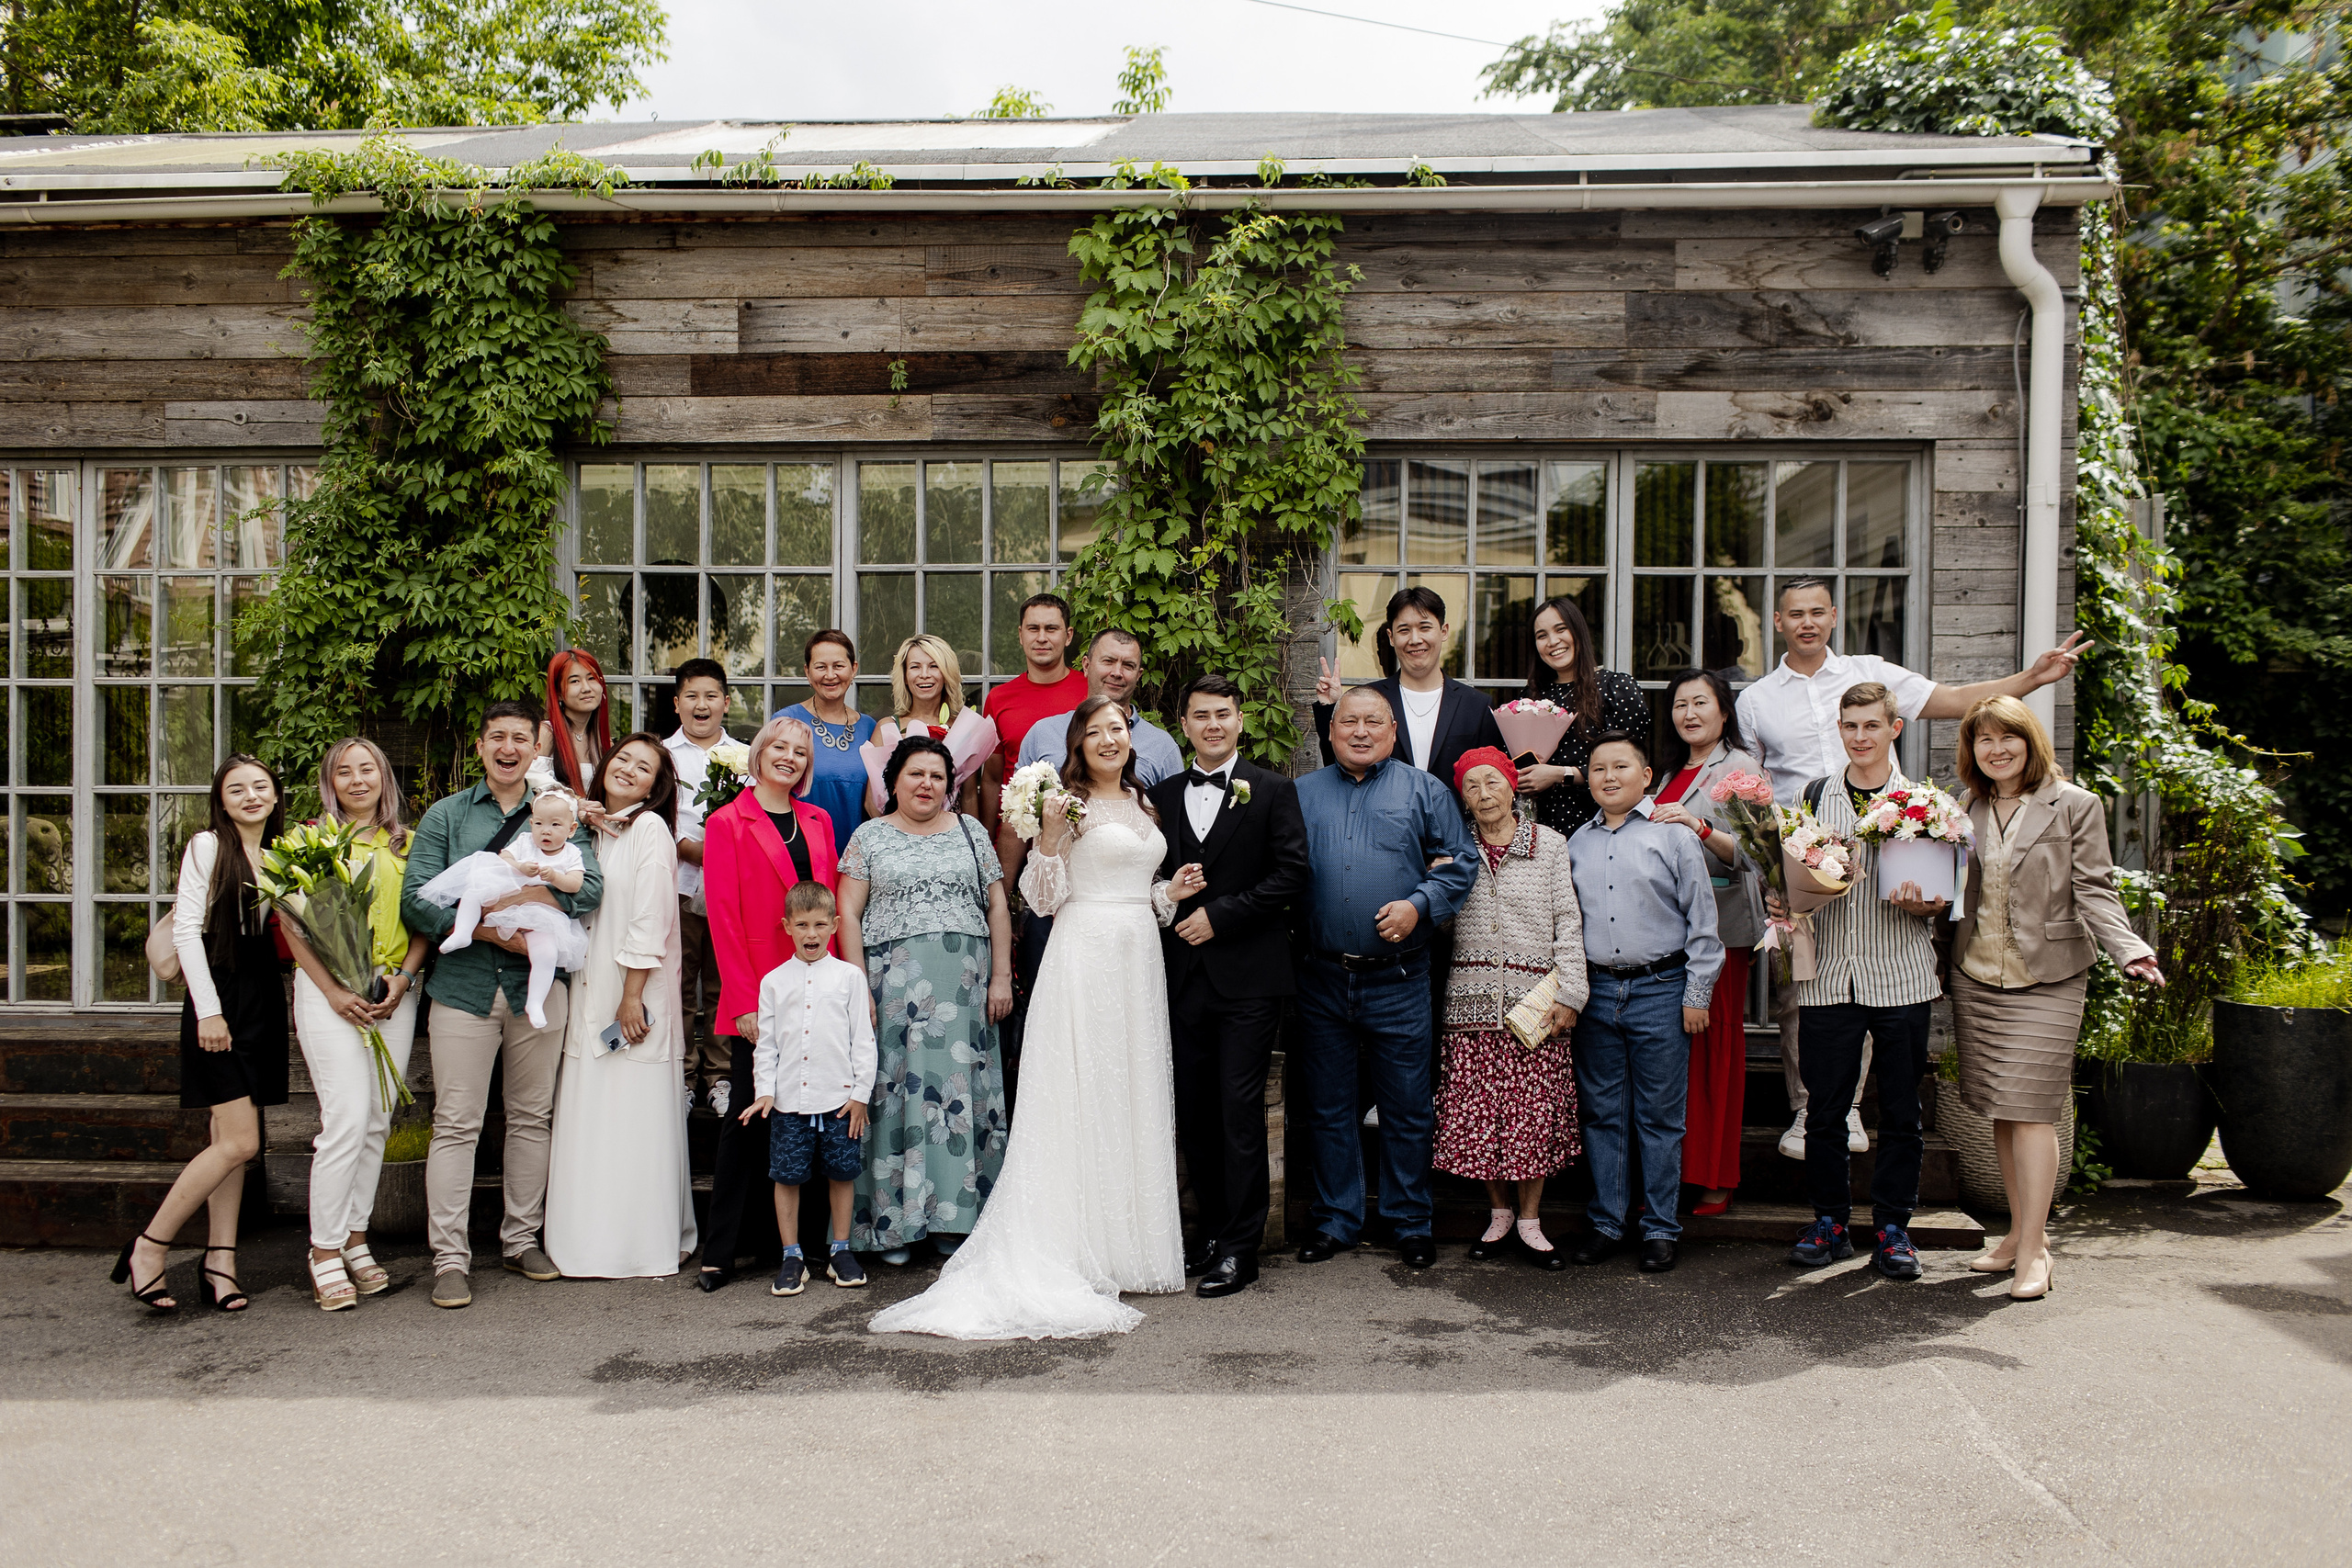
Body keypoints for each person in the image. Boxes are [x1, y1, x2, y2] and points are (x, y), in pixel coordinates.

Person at [871, 699, 1197, 1338]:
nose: (1110, 739)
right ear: (1077, 742)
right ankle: (1074, 1246)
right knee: (1079, 1096)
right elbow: (1043, 898)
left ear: (1133, 740)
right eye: (1096, 731)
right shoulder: (1063, 801)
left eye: (1119, 730)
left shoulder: (1146, 802)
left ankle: (1128, 1247)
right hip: (1083, 957)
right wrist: (1047, 836)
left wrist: (1170, 893)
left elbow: (1140, 888)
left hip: (1137, 956)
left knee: (1127, 1093)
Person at [1736, 577, 2089, 1162]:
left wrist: (2032, 678)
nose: (1806, 623)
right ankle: (1809, 1107)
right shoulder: (1756, 700)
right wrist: (1772, 859)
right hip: (1808, 848)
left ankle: (1846, 1105)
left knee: (1876, 969)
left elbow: (1955, 700)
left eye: (1817, 612)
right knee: (1802, 983)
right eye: (1794, 614)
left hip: (1885, 835)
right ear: (1778, 622)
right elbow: (1756, 782)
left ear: (1833, 617)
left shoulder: (1869, 671)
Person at [1949, 695, 2163, 1302]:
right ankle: (2018, 1233)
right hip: (1978, 974)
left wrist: (2130, 949)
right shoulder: (1964, 808)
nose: (1996, 749)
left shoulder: (2075, 805)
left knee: (2035, 1108)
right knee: (2001, 1106)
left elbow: (2095, 888)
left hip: (2050, 978)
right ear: (1973, 751)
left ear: (2029, 741)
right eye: (1984, 740)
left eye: (2007, 737)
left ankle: (2037, 1248)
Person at [401, 702, 605, 1311]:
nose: (509, 747)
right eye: (498, 737)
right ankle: (449, 1258)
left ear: (532, 748)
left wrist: (528, 891)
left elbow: (590, 887)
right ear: (482, 744)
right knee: (458, 1123)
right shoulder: (447, 815)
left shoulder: (560, 809)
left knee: (531, 1116)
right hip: (463, 989)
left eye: (520, 737)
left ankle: (520, 1238)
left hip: (535, 991)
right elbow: (416, 899)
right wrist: (490, 929)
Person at [1292, 687, 1477, 1270]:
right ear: (1330, 730)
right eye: (1349, 722)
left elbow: (1459, 864)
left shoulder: (1424, 791)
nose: (1361, 731)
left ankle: (1408, 1220)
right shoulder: (1300, 795)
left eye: (1374, 721)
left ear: (1393, 731)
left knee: (1406, 1106)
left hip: (1399, 978)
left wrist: (1419, 905)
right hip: (1320, 978)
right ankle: (1336, 1220)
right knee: (1329, 1106)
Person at [1775, 682, 1949, 1282]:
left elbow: (1938, 900)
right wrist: (1795, 897)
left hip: (1899, 974)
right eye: (1849, 725)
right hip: (1827, 978)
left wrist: (1924, 900)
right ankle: (1830, 1222)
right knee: (1824, 1110)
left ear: (1894, 728)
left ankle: (1894, 1228)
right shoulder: (1813, 796)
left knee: (1901, 1111)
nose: (1860, 735)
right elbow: (1794, 885)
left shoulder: (1923, 802)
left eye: (1871, 725)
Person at [1145, 674, 1311, 1299]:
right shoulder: (1159, 795)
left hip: (1249, 980)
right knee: (1195, 1115)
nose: (1213, 724)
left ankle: (1243, 1248)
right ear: (1183, 725)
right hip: (1183, 980)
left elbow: (1293, 874)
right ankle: (1211, 1233)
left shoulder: (1273, 790)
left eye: (1223, 714)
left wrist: (1223, 914)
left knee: (1239, 1112)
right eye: (1200, 715)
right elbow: (1150, 878)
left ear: (1240, 721)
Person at [113, 755, 288, 1314]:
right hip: (220, 999)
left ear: (277, 797)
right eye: (237, 789)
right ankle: (149, 1247)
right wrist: (208, 1011)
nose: (251, 796)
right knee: (242, 1142)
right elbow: (187, 931)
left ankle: (221, 1263)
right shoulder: (208, 845)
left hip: (262, 998)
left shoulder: (284, 852)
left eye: (261, 787)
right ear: (221, 798)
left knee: (227, 1141)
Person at [839, 736, 1014, 1265]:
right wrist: (854, 988)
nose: (926, 784)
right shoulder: (869, 836)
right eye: (915, 774)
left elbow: (998, 907)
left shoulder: (971, 833)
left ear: (950, 785)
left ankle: (957, 1221)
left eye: (937, 777)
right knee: (895, 1095)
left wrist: (1001, 977)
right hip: (890, 989)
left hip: (962, 993)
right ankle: (895, 1225)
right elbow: (847, 912)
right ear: (893, 782)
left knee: (957, 1099)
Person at [1566, 731, 1722, 1274]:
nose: (1608, 777)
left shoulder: (1672, 836)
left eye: (1621, 767)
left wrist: (1696, 993)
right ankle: (1608, 1222)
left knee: (1659, 1117)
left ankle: (1659, 1228)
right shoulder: (1576, 843)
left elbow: (1703, 922)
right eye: (1598, 768)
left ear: (1646, 776)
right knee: (1602, 1113)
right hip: (1597, 991)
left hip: (1661, 990)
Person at [543, 735, 697, 1280]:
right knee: (591, 1111)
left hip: (631, 990)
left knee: (633, 1114)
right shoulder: (585, 830)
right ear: (604, 765)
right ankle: (583, 1241)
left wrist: (631, 995)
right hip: (586, 986)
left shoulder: (649, 830)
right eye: (623, 759)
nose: (630, 770)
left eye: (645, 768)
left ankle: (638, 1242)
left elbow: (651, 917)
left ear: (657, 788)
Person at [281, 738, 427, 1310]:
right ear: (331, 782)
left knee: (375, 1120)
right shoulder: (308, 842)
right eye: (345, 771)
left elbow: (423, 920)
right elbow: (293, 926)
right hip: (329, 994)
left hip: (393, 992)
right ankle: (322, 1251)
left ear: (384, 779)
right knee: (343, 1119)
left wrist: (405, 980)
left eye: (368, 769)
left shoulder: (409, 845)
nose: (358, 779)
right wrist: (335, 992)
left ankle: (355, 1238)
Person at [698, 714, 840, 1292]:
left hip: (817, 986)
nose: (789, 757)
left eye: (800, 751)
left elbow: (826, 905)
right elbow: (723, 920)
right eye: (778, 747)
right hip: (759, 990)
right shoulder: (727, 822)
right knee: (749, 1118)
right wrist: (741, 1001)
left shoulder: (818, 819)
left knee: (810, 1114)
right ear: (758, 753)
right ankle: (720, 1251)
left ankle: (799, 1246)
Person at [1433, 748, 1589, 1270]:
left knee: (1533, 1116)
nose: (1483, 793)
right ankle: (1497, 1215)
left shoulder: (1549, 845)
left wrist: (1571, 994)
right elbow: (1440, 926)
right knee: (1482, 1119)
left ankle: (1530, 1219)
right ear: (1463, 797)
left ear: (1511, 786)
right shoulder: (1455, 850)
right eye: (1472, 785)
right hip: (1471, 1003)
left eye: (1492, 782)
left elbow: (1568, 922)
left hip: (1535, 1006)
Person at [1646, 670, 1768, 1216]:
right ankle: (1678, 1169)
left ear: (1724, 711)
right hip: (1670, 930)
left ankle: (1717, 1173)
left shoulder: (1741, 768)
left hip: (1721, 931)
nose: (1689, 713)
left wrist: (1697, 826)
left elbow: (1756, 854)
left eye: (1701, 703)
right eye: (1679, 705)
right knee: (1681, 1057)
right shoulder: (1671, 769)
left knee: (1718, 1051)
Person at [741, 881, 877, 1295]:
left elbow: (863, 1042)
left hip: (839, 1101)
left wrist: (859, 1095)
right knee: (787, 1176)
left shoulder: (850, 978)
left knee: (841, 1173)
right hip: (788, 1104)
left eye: (820, 924)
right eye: (802, 925)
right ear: (787, 927)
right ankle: (791, 1256)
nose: (812, 934)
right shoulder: (773, 982)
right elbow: (767, 1046)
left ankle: (840, 1250)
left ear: (835, 925)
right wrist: (765, 1091)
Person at [415, 786, 590, 1030]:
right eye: (539, 824)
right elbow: (504, 857)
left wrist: (554, 877)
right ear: (531, 823)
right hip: (504, 891)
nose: (545, 831)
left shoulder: (571, 853)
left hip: (539, 914)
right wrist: (519, 867)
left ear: (571, 829)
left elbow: (577, 884)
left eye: (555, 825)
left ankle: (535, 1002)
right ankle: (463, 932)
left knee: (546, 953)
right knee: (474, 890)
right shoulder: (525, 842)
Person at [1311, 585, 1507, 793]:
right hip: (1382, 823)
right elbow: (1339, 768)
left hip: (1455, 823)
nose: (1415, 640)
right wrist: (1331, 707)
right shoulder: (1371, 699)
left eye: (1424, 628)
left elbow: (1492, 780)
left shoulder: (1476, 705)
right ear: (1391, 637)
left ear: (1443, 631)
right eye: (1404, 630)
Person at [1511, 595, 1652, 837]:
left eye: (1561, 629)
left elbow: (1629, 767)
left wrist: (1559, 774)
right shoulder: (1530, 698)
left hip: (1601, 824)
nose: (1553, 641)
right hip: (1540, 827)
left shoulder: (1615, 688)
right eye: (1541, 635)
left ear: (1578, 632)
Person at [662, 658, 737, 1113]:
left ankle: (721, 1076)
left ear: (726, 703)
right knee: (678, 982)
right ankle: (682, 1075)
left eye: (711, 696)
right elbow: (651, 812)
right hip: (677, 883)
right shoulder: (662, 756)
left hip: (729, 891)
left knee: (721, 986)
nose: (701, 705)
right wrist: (687, 847)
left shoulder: (748, 756)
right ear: (676, 704)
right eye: (691, 696)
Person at [979, 591, 1089, 822]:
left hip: (1079, 829)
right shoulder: (998, 698)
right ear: (1020, 635)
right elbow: (991, 779)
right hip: (1015, 833)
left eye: (1051, 629)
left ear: (1068, 636)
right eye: (1033, 629)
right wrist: (989, 841)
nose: (1041, 637)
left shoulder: (1090, 692)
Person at [863, 632, 998, 818]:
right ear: (904, 674)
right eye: (915, 667)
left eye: (934, 666)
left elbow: (969, 797)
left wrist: (970, 842)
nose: (924, 675)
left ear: (946, 673)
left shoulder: (962, 728)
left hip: (949, 838)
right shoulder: (887, 728)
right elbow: (872, 801)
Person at [781, 629, 876, 853]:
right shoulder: (786, 722)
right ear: (807, 671)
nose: (830, 675)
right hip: (800, 852)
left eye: (838, 666)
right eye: (821, 667)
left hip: (859, 858)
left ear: (854, 669)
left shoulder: (871, 728)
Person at [537, 649, 611, 793]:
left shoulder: (603, 741)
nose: (586, 688)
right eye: (575, 681)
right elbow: (534, 780)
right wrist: (576, 802)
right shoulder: (547, 733)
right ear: (558, 693)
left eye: (591, 679)